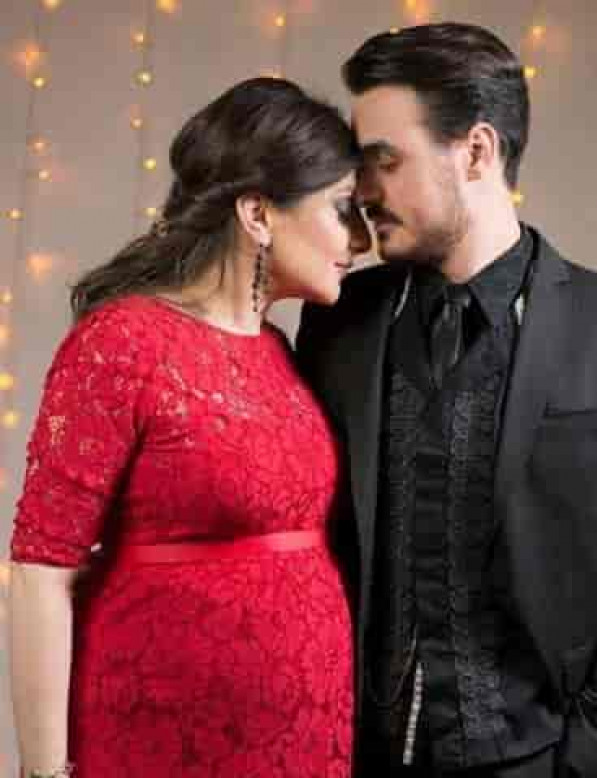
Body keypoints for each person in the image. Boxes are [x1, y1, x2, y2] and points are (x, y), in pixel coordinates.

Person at [296, 23, 597, 778]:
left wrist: (584, 757)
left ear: (477, 151)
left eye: (386, 160)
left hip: (548, 759)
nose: (364, 191)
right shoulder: (338, 319)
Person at [9, 76, 370, 778]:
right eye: (340, 209)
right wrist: (44, 774)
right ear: (258, 213)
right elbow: (40, 572)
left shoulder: (280, 351)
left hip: (306, 742)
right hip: (161, 738)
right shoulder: (122, 342)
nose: (359, 239)